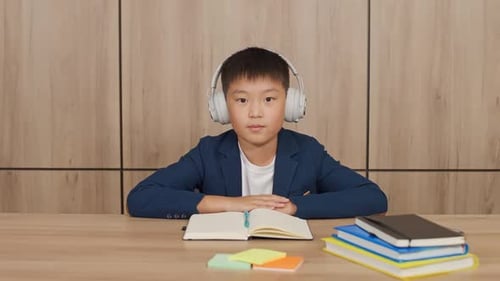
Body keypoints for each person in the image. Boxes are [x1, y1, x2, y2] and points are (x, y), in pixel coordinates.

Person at [127, 47, 387, 219]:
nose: (255, 112)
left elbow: (373, 198)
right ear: (222, 107)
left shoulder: (308, 152)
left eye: (269, 100)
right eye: (242, 101)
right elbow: (140, 198)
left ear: (290, 104)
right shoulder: (209, 153)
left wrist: (295, 207)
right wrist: (233, 204)